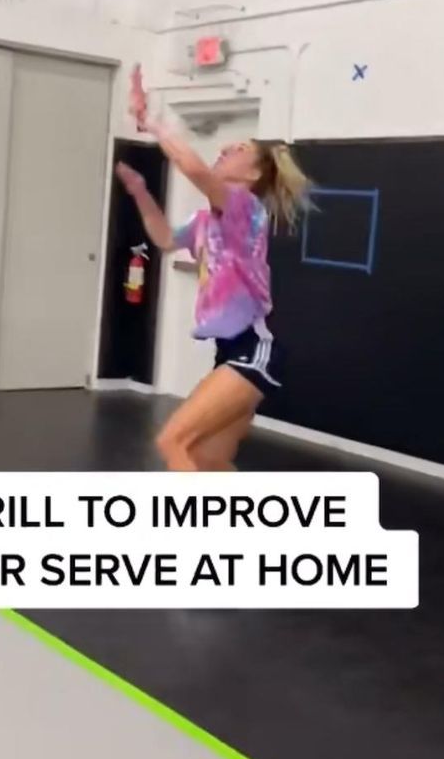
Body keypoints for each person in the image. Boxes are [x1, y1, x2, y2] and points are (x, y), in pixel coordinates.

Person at [116, 66, 310, 471]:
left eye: (238, 149)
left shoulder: (245, 208)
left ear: (254, 174)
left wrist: (150, 121)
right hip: (229, 352)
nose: (225, 148)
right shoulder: (207, 220)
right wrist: (140, 193)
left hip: (253, 351)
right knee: (210, 460)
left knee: (174, 442)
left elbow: (194, 169)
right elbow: (167, 239)